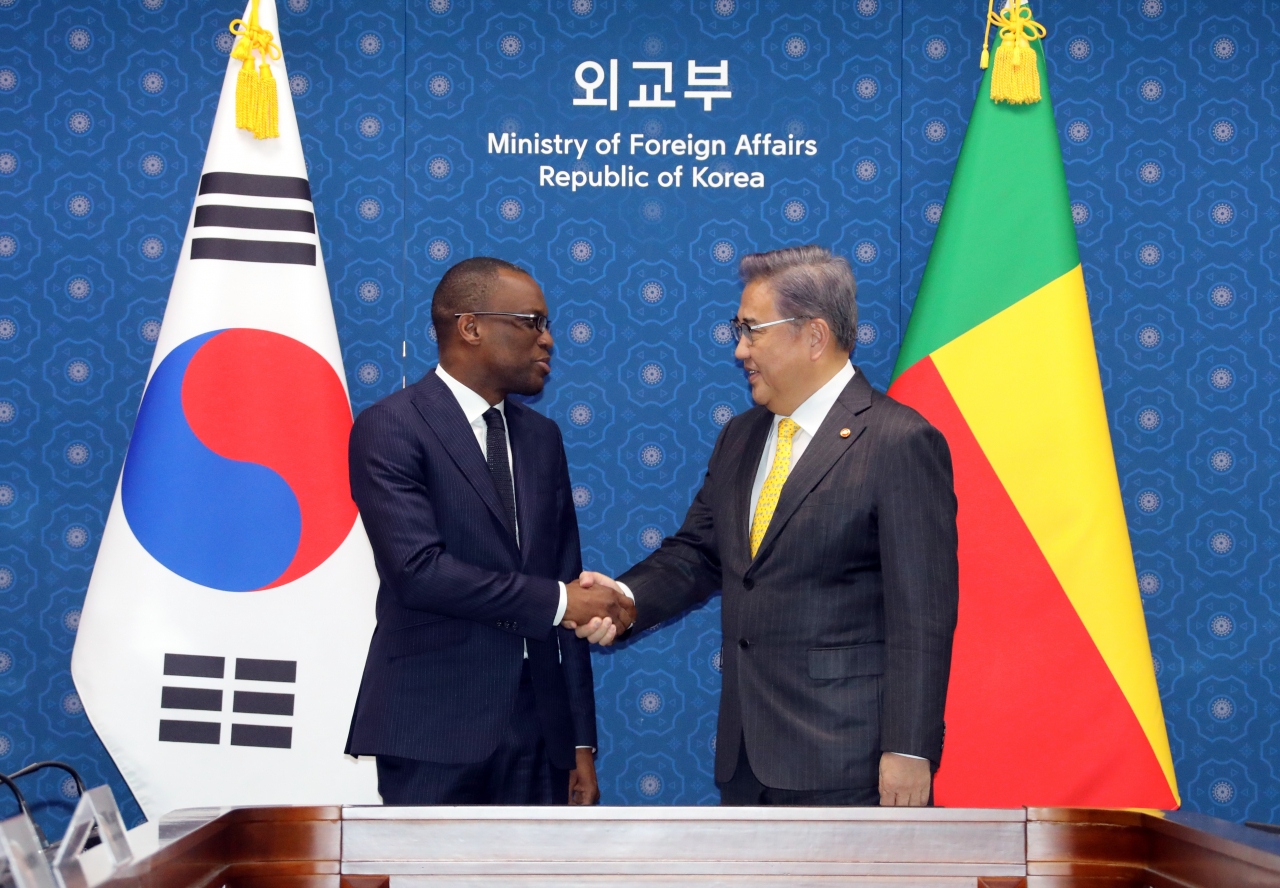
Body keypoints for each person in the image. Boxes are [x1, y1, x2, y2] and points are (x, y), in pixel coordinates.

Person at [572, 245, 959, 807]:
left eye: (752, 331)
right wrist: (625, 597)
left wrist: (908, 750)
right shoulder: (742, 435)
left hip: (850, 763)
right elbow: (699, 554)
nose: (739, 350)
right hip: (747, 759)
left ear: (814, 335)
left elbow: (922, 615)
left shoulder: (899, 441)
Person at [345, 256, 628, 805]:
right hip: (432, 726)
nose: (548, 341)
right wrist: (555, 601)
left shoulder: (542, 438)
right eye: (532, 322)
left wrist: (580, 744)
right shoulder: (391, 426)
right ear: (471, 327)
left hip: (540, 733)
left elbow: (568, 582)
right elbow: (418, 572)